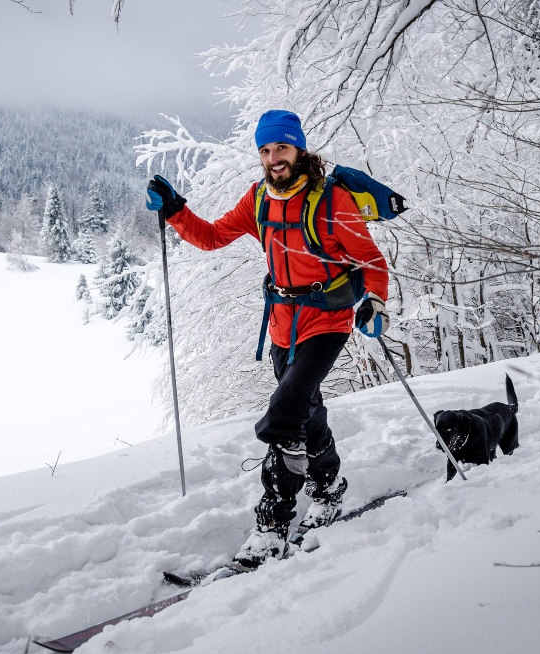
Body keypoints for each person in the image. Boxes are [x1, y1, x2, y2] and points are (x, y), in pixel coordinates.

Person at [146, 110, 390, 569]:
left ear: (299, 149)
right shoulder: (259, 199)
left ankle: (272, 527)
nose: (273, 158)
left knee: (285, 413)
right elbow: (214, 237)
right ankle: (329, 488)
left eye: (281, 148)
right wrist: (177, 211)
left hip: (327, 322)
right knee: (307, 412)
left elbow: (371, 261)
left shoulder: (333, 201)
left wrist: (375, 301)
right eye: (265, 150)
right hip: (281, 325)